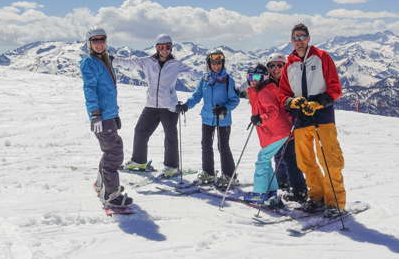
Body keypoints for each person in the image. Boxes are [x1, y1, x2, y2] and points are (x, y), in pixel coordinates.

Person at [278, 23, 346, 218]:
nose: (299, 41)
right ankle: (316, 196)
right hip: (301, 117)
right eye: (295, 38)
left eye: (302, 37)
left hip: (322, 115)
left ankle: (335, 202)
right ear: (291, 40)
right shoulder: (289, 64)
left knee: (329, 159)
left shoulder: (322, 57)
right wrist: (292, 101)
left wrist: (319, 102)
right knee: (305, 160)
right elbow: (283, 93)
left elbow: (335, 88)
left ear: (308, 38)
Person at [114, 34, 201, 177]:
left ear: (171, 48)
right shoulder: (147, 62)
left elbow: (195, 73)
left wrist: (210, 74)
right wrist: (112, 59)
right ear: (157, 48)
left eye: (167, 47)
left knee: (170, 137)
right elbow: (129, 62)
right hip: (151, 106)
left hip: (169, 107)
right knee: (140, 131)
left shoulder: (176, 64)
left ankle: (171, 167)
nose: (164, 50)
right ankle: (139, 161)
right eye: (161, 47)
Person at [80, 27, 132, 207]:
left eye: (102, 40)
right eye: (95, 41)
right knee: (114, 153)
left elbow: (108, 90)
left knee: (112, 148)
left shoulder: (103, 59)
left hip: (109, 114)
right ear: (89, 43)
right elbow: (89, 89)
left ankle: (101, 183)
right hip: (101, 116)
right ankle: (111, 195)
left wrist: (114, 114)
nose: (99, 44)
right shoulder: (90, 62)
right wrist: (95, 114)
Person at [176, 50, 240, 187]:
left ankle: (229, 176)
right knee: (206, 145)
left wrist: (224, 108)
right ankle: (209, 173)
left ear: (222, 64)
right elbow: (197, 95)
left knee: (222, 146)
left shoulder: (228, 80)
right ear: (209, 64)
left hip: (222, 118)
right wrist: (187, 105)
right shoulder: (204, 79)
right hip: (207, 117)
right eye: (213, 63)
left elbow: (235, 100)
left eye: (219, 63)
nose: (216, 66)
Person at [244, 64, 293, 207]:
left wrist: (260, 118)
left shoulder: (264, 92)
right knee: (265, 159)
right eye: (250, 77)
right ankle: (271, 191)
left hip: (277, 131)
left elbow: (273, 112)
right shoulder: (262, 90)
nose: (253, 80)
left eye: (257, 77)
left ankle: (259, 193)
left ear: (264, 77)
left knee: (262, 159)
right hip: (276, 131)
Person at [265, 53, 308, 203]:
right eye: (272, 66)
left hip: (290, 126)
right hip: (275, 128)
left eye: (279, 65)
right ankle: (283, 183)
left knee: (290, 158)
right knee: (278, 156)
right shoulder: (267, 85)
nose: (276, 69)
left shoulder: (292, 83)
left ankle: (299, 190)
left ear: (285, 67)